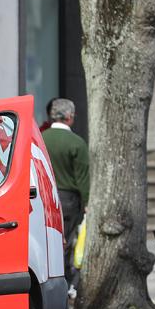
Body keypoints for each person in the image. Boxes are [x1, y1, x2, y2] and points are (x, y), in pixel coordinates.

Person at [41, 98, 89, 278]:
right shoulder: (77, 143)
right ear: (69, 117)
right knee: (66, 243)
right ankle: (64, 280)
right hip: (69, 201)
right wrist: (87, 202)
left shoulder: (41, 138)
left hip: (44, 197)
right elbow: (83, 178)